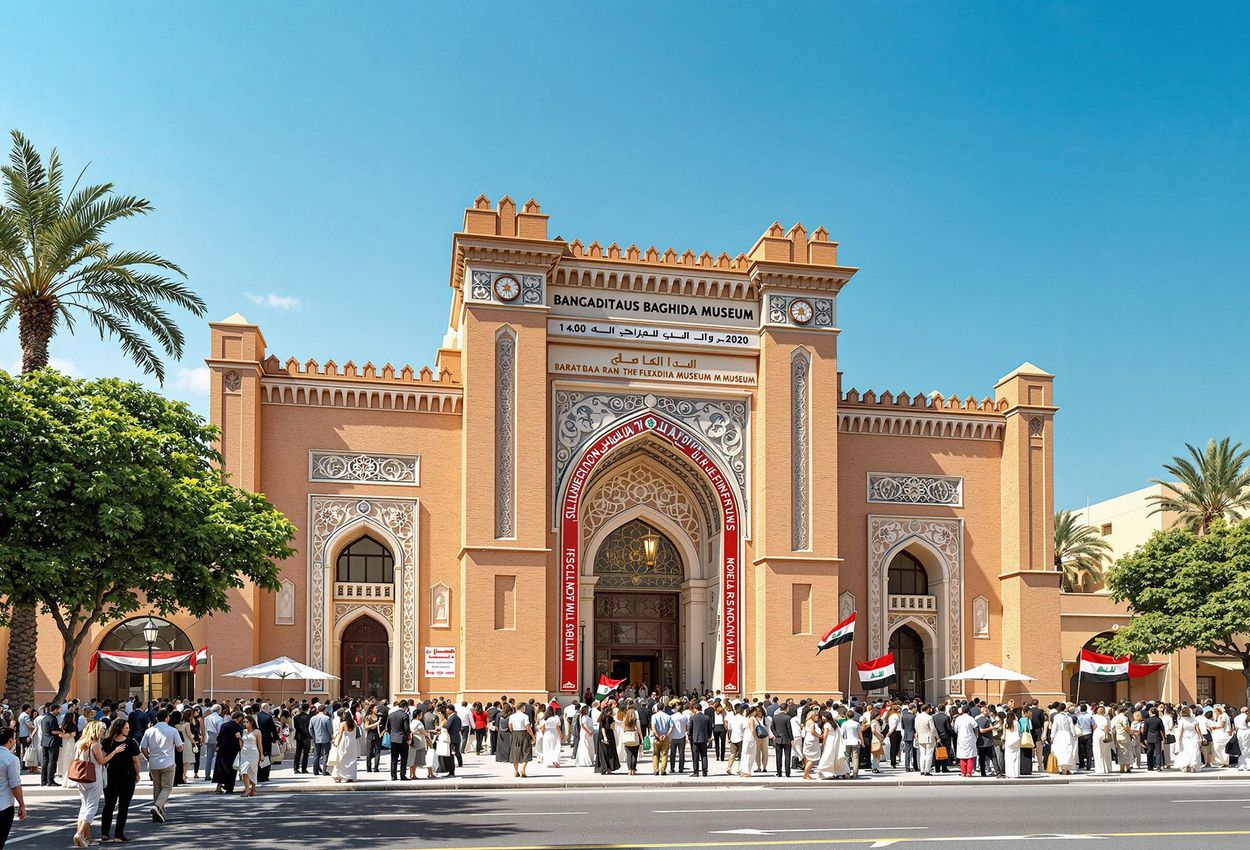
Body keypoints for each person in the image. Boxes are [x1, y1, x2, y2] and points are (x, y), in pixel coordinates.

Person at [71, 720, 116, 848]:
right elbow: (102, 761)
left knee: (84, 806)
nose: (104, 732)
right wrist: (114, 752)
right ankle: (80, 834)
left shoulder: (80, 743)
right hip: (94, 777)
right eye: (102, 729)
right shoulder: (95, 744)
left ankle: (85, 836)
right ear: (96, 730)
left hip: (81, 777)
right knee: (92, 807)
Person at [139, 709, 184, 823]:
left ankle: (159, 813)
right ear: (167, 718)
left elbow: (142, 747)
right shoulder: (173, 730)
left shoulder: (149, 731)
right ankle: (158, 806)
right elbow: (180, 747)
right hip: (168, 761)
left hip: (153, 762)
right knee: (167, 787)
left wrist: (148, 757)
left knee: (157, 787)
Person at [100, 718, 140, 843]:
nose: (129, 729)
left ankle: (105, 833)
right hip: (126, 776)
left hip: (111, 776)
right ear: (120, 728)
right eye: (126, 727)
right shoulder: (131, 743)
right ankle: (118, 834)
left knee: (109, 805)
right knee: (123, 806)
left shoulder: (107, 742)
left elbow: (102, 757)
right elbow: (136, 760)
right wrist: (138, 774)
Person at [0, 729, 26, 848]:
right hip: (3, 806)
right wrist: (22, 804)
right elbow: (15, 785)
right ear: (10, 740)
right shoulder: (11, 759)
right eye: (14, 738)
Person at [213, 712, 244, 794]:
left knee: (221, 769)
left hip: (223, 749)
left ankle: (218, 787)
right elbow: (240, 738)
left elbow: (219, 737)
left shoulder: (224, 725)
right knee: (232, 769)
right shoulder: (238, 727)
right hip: (233, 750)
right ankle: (229, 788)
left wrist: (218, 746)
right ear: (238, 718)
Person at [237, 716, 262, 797]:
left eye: (246, 722)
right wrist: (239, 738)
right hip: (245, 753)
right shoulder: (244, 731)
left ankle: (253, 789)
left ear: (251, 722)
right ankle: (247, 789)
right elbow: (242, 743)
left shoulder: (257, 732)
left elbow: (259, 744)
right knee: (244, 771)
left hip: (254, 753)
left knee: (253, 770)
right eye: (244, 722)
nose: (245, 723)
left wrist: (261, 754)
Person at [330, 710, 358, 783]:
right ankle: (351, 776)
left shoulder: (343, 724)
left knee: (342, 758)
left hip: (345, 742)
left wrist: (336, 743)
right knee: (352, 759)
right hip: (353, 742)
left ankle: (341, 776)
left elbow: (340, 735)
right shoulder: (354, 723)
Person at [38, 704, 62, 787]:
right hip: (52, 742)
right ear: (55, 709)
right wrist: (62, 732)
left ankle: (43, 781)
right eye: (59, 709)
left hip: (44, 742)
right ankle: (50, 780)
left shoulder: (44, 718)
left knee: (45, 761)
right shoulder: (53, 718)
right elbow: (53, 731)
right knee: (52, 761)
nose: (59, 711)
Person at [1050, 705, 1077, 775]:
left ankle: (1061, 769)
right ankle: (1067, 768)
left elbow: (1054, 727)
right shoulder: (1069, 717)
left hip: (1059, 735)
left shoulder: (1056, 717)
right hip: (1067, 735)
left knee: (1060, 752)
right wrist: (1074, 735)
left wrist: (1052, 737)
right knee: (1068, 752)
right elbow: (1072, 728)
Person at [508, 703, 534, 778]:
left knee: (515, 752)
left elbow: (510, 726)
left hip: (515, 734)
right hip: (524, 734)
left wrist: (513, 732)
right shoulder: (525, 716)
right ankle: (522, 768)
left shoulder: (512, 716)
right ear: (522, 708)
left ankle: (516, 771)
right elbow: (528, 727)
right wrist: (533, 736)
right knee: (526, 751)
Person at [952, 706, 979, 777]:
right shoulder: (970, 718)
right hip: (970, 738)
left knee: (962, 756)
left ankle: (963, 772)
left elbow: (955, 729)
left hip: (961, 739)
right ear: (968, 711)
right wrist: (976, 736)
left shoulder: (958, 719)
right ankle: (969, 772)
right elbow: (976, 727)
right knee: (970, 756)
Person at [1174, 707, 1202, 772]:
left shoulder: (1181, 720)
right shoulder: (1194, 719)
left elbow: (1181, 731)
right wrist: (1201, 737)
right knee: (1194, 751)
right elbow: (1198, 729)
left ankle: (1186, 766)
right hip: (1194, 736)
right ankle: (1193, 765)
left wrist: (1178, 739)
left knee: (1186, 752)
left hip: (1185, 737)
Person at [595, 703, 620, 775]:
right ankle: (608, 768)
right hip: (608, 736)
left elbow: (603, 728)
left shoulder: (602, 718)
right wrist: (605, 737)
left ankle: (603, 768)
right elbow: (607, 728)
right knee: (610, 752)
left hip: (602, 737)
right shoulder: (608, 718)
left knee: (603, 753)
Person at [688, 701, 711, 777]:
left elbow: (690, 729)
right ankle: (704, 772)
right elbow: (709, 729)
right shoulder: (706, 717)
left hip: (695, 739)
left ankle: (696, 772)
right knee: (704, 755)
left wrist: (689, 737)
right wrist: (709, 737)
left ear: (695, 709)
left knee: (695, 756)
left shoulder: (692, 718)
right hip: (704, 738)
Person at [310, 705, 335, 777]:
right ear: (325, 710)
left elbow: (310, 729)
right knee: (326, 755)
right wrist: (331, 736)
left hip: (316, 739)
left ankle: (315, 770)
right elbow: (330, 729)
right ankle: (324, 771)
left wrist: (313, 737)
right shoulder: (327, 718)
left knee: (316, 755)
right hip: (326, 738)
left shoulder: (313, 718)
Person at [772, 703, 793, 777]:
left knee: (778, 756)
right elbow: (789, 730)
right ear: (786, 708)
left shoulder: (775, 717)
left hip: (778, 739)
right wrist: (792, 739)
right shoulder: (788, 717)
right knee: (787, 756)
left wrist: (776, 734)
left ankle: (779, 772)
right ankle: (787, 773)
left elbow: (772, 727)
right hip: (786, 739)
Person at [619, 703, 641, 775]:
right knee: (635, 754)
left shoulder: (625, 719)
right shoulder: (636, 720)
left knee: (629, 754)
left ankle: (629, 770)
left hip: (627, 736)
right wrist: (641, 738)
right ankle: (633, 770)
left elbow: (624, 728)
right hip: (634, 736)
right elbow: (639, 730)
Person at [1092, 706, 1112, 774]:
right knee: (1105, 752)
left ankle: (1099, 769)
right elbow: (1106, 726)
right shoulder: (1105, 718)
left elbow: (1093, 726)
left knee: (1098, 751)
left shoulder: (1093, 717)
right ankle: (1107, 768)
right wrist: (1107, 734)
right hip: (1103, 733)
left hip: (1097, 733)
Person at [292, 704, 312, 774]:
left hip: (299, 736)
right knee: (306, 753)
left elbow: (295, 727)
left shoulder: (296, 717)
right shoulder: (309, 717)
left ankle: (296, 768)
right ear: (307, 709)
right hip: (306, 737)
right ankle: (304, 768)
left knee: (298, 752)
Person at [1004, 708, 1022, 778]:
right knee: (1016, 757)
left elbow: (1004, 734)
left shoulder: (1006, 723)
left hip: (1008, 741)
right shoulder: (1016, 723)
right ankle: (1016, 773)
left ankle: (1009, 773)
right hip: (1016, 740)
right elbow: (1019, 732)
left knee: (1008, 758)